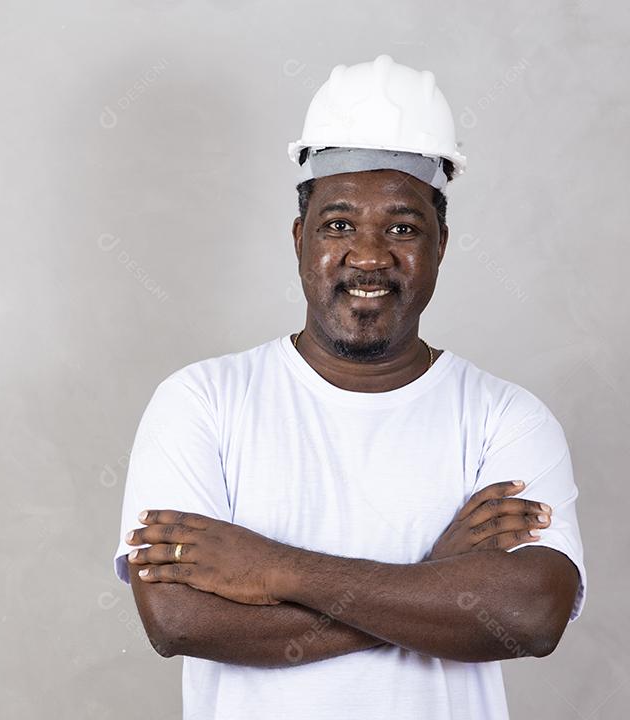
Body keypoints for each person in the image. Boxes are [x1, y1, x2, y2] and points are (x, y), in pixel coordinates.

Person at [110, 54, 586, 720]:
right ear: (300, 238)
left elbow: (529, 614)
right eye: (338, 225)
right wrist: (433, 580)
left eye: (402, 227)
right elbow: (177, 619)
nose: (368, 255)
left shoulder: (506, 419)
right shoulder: (202, 402)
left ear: (440, 245)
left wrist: (274, 570)